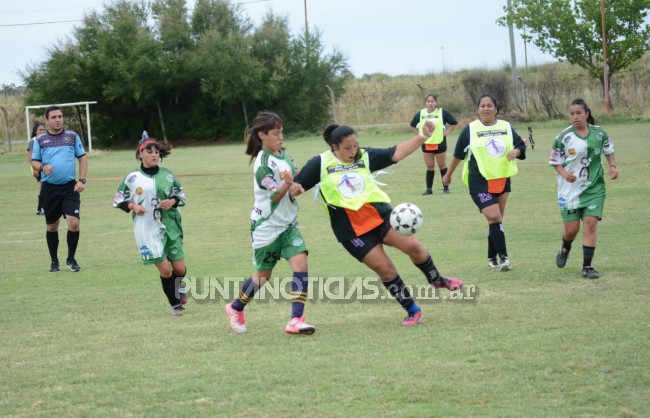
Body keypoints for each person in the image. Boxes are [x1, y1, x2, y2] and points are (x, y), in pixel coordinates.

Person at [291, 120, 463, 327]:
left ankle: (437, 279)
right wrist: (295, 188)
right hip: (351, 231)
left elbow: (395, 153)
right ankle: (412, 310)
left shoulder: (364, 156)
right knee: (386, 269)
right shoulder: (319, 163)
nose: (353, 151)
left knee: (415, 247)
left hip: (380, 217)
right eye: (347, 148)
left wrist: (422, 137)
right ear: (334, 147)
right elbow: (296, 186)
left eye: (355, 145)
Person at [224, 111, 315, 335]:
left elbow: (295, 182)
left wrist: (298, 184)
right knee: (263, 276)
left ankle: (296, 319)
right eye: (275, 133)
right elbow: (274, 195)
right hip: (267, 226)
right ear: (262, 135)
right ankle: (236, 307)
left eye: (281, 132)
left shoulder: (285, 155)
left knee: (301, 265)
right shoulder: (261, 164)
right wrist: (287, 184)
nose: (280, 137)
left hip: (288, 224)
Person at [442, 93, 526, 271]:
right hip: (479, 181)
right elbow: (458, 154)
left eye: (489, 105)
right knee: (494, 216)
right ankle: (504, 259)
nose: (486, 108)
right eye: (482, 106)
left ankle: (491, 258)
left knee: (496, 221)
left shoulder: (506, 127)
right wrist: (448, 175)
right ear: (478, 109)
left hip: (501, 178)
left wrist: (517, 152)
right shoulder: (470, 129)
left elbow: (520, 145)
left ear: (496, 109)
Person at [113, 132, 189, 316]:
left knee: (179, 269)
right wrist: (133, 206)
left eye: (156, 151)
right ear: (141, 154)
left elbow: (181, 193)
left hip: (171, 226)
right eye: (149, 151)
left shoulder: (168, 175)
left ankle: (180, 287)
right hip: (147, 229)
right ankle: (175, 305)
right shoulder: (132, 177)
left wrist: (172, 202)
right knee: (165, 270)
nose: (154, 154)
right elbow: (117, 199)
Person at [549, 99, 617, 279]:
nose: (575, 117)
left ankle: (587, 266)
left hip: (594, 188)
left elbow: (609, 150)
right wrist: (564, 174)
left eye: (579, 113)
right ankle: (565, 247)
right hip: (569, 190)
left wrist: (612, 166)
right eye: (572, 114)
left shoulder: (600, 133)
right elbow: (556, 162)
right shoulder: (563, 137)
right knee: (571, 230)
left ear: (587, 113)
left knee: (590, 224)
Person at [30, 106, 87, 273]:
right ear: (47, 120)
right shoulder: (40, 140)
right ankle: (54, 261)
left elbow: (82, 158)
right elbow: (34, 161)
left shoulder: (72, 136)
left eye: (60, 116)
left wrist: (82, 180)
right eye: (53, 117)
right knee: (52, 227)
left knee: (74, 222)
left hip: (70, 188)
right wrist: (42, 167)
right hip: (49, 189)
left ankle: (71, 259)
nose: (57, 120)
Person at [409, 94, 458, 195]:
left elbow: (454, 122)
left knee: (442, 165)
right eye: (428, 101)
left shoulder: (442, 112)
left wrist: (447, 132)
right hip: (426, 143)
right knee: (430, 167)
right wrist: (420, 136)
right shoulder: (421, 113)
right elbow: (412, 125)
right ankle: (429, 189)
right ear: (425, 103)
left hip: (440, 142)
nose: (430, 103)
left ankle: (446, 188)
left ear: (436, 103)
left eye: (432, 101)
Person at [28, 121, 47, 215]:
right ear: (35, 131)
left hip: (43, 166)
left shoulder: (45, 139)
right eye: (40, 129)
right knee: (43, 186)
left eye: (44, 129)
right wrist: (35, 169)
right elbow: (30, 157)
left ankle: (41, 208)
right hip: (37, 167)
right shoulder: (33, 141)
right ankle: (41, 208)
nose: (42, 131)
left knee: (44, 186)